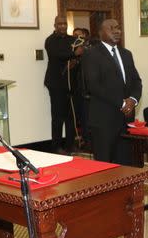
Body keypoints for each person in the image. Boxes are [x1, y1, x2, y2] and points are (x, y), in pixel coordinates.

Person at [82, 18, 142, 165]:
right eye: (111, 28)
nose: (117, 31)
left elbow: (136, 81)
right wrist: (121, 103)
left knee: (127, 163)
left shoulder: (126, 54)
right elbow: (94, 86)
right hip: (104, 120)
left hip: (126, 120)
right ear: (101, 32)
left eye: (118, 27)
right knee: (104, 166)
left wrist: (132, 100)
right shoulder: (92, 54)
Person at [44, 16, 82, 153]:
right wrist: (73, 54)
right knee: (58, 117)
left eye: (64, 24)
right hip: (56, 84)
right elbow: (57, 55)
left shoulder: (72, 40)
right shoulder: (50, 41)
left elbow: (80, 55)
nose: (62, 26)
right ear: (55, 25)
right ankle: (56, 146)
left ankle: (70, 145)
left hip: (71, 84)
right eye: (59, 24)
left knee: (71, 116)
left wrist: (76, 61)